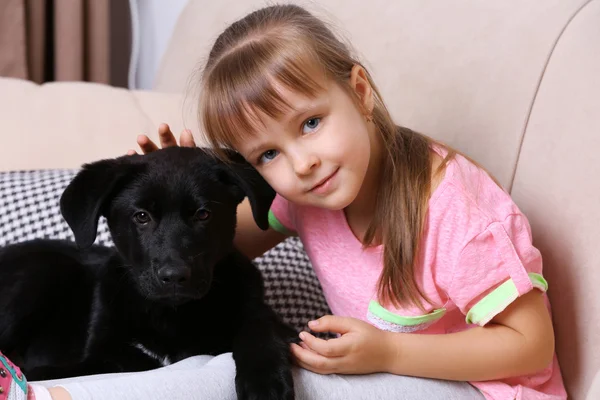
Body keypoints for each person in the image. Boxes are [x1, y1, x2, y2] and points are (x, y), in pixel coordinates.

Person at [18, 4, 565, 400]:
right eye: (269, 154)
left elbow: (530, 345)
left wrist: (389, 354)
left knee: (236, 377)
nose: (301, 163)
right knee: (231, 367)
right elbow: (215, 248)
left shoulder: (455, 210)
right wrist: (186, 188)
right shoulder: (309, 197)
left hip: (481, 391)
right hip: (384, 377)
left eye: (310, 123)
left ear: (359, 91)